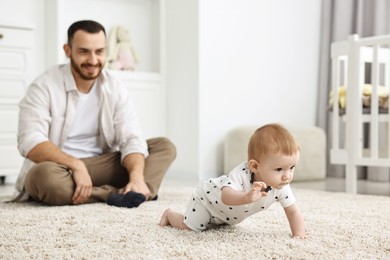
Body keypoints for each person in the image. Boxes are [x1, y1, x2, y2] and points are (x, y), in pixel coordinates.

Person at [13, 20, 176, 208]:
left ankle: (135, 186)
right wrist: (75, 165)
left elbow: (131, 136)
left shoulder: (114, 87)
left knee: (164, 147)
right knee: (41, 178)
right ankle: (129, 192)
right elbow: (29, 140)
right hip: (61, 168)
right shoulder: (43, 86)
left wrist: (137, 175)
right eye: (84, 51)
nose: (93, 60)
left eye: (99, 51)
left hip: (102, 165)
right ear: (67, 50)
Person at [159, 123, 306, 239]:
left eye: (291, 168)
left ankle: (216, 221)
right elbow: (226, 196)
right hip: (207, 201)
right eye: (279, 169)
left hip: (226, 216)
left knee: (217, 226)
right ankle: (170, 214)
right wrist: (246, 197)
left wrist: (299, 234)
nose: (287, 176)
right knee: (190, 229)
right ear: (255, 166)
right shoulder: (241, 174)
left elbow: (293, 212)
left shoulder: (281, 187)